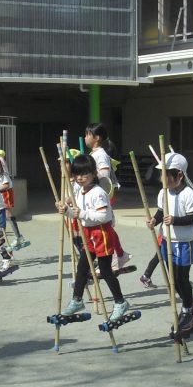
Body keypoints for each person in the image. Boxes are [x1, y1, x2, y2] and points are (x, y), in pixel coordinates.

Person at [57, 153, 130, 322]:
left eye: (84, 174)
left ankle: (120, 302)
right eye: (77, 174)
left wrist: (81, 213)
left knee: (105, 271)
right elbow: (78, 215)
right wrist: (65, 211)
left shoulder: (98, 192)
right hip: (88, 233)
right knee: (82, 268)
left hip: (102, 233)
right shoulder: (80, 191)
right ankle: (77, 300)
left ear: (94, 174)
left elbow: (104, 215)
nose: (80, 178)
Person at [148, 152, 193, 334]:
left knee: (181, 278)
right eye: (160, 175)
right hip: (167, 241)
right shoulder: (164, 192)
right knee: (173, 280)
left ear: (179, 175)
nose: (162, 179)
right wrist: (155, 221)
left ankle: (187, 310)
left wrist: (175, 220)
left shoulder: (189, 194)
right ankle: (190, 303)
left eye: (166, 175)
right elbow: (162, 211)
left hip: (183, 243)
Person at [84, 122, 131, 271]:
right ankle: (119, 254)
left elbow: (104, 174)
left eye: (87, 135)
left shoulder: (101, 154)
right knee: (103, 227)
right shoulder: (94, 154)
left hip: (102, 194)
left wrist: (89, 176)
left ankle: (115, 258)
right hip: (96, 194)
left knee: (106, 227)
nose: (85, 138)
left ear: (96, 138)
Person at [0, 149, 26, 248]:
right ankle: (1, 232)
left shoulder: (2, 172)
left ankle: (18, 236)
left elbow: (6, 185)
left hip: (5, 194)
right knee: (2, 214)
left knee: (7, 213)